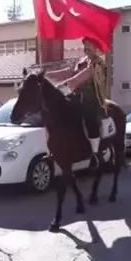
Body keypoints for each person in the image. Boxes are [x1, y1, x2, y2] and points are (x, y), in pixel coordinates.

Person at [44, 37, 107, 169]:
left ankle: (95, 154)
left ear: (96, 47)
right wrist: (47, 74)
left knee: (90, 118)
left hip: (92, 98)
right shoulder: (81, 61)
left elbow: (81, 77)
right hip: (77, 97)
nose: (87, 47)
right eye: (85, 44)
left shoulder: (98, 63)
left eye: (90, 44)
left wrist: (65, 86)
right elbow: (68, 72)